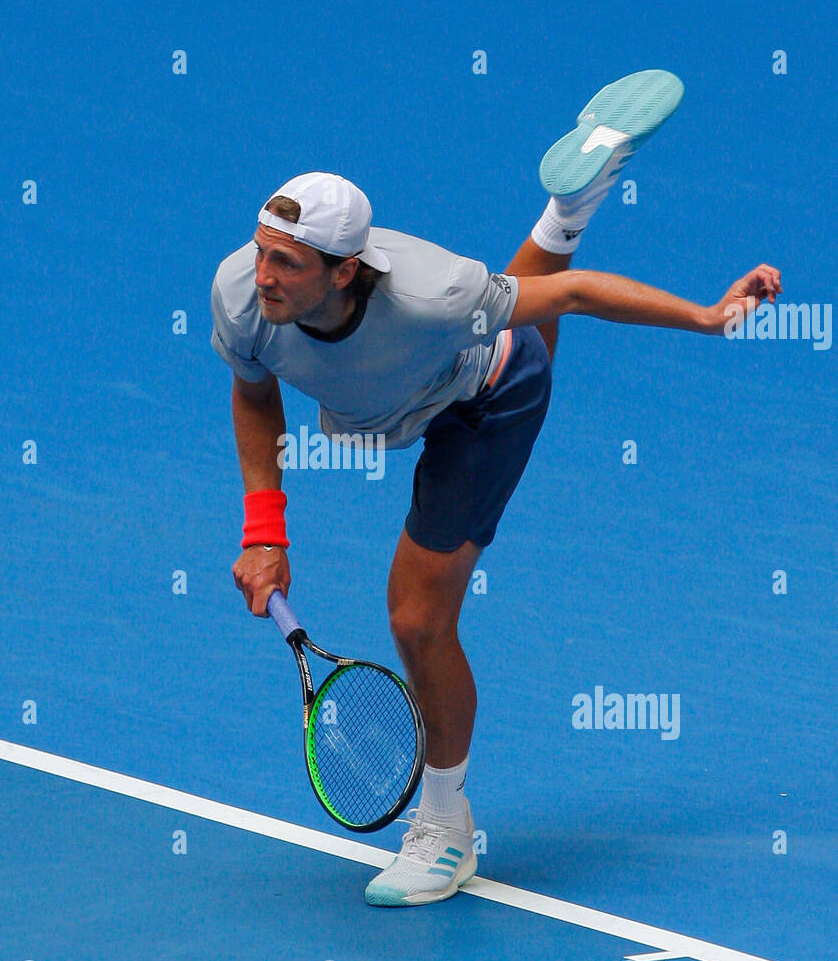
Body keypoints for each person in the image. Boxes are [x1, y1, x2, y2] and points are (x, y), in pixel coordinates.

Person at [210, 70, 781, 907]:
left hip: (483, 406)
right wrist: (264, 529)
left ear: (343, 272)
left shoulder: (429, 296)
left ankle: (445, 830)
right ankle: (564, 213)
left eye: (286, 263)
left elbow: (577, 295)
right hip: (418, 384)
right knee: (502, 316)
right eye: (261, 250)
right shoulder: (240, 295)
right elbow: (254, 391)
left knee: (416, 614)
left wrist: (706, 316)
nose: (262, 275)